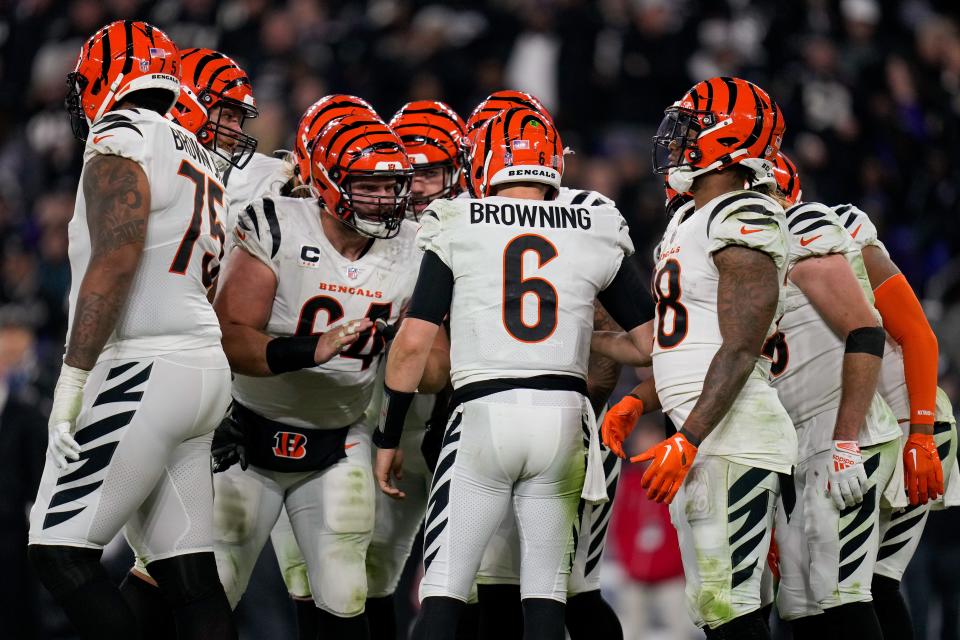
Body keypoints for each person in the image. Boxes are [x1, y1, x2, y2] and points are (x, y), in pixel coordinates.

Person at [373, 106, 654, 640]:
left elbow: (412, 344)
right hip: (565, 419)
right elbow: (646, 346)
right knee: (547, 597)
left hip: (484, 412)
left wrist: (390, 434)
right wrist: (582, 338)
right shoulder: (594, 219)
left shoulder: (458, 219)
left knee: (445, 591)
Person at [27, 20, 237, 640]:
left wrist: (73, 377)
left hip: (146, 364)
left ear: (105, 78)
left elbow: (117, 258)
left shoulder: (122, 134)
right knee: (189, 575)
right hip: (200, 367)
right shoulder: (203, 154)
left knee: (59, 550)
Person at [210, 110, 445, 640]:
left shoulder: (417, 243)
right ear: (326, 181)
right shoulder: (277, 222)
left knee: (346, 595)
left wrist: (398, 338)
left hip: (341, 437)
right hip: (249, 431)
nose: (385, 199)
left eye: (392, 185)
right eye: (368, 185)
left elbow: (436, 371)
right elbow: (231, 338)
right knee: (215, 588)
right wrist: (312, 348)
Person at [595, 76, 794, 639]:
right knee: (718, 606)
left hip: (734, 434)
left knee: (725, 604)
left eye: (692, 129)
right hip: (707, 431)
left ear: (726, 141)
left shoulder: (743, 214)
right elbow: (690, 344)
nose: (677, 141)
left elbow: (739, 346)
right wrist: (640, 396)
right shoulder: (689, 219)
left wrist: (689, 436)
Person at [459, 90, 628, 640]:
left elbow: (607, 339)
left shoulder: (574, 219)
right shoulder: (579, 219)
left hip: (558, 424)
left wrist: (565, 414)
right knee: (505, 584)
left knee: (572, 588)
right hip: (543, 421)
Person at [759, 151, 900, 638]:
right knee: (799, 607)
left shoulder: (802, 227)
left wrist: (844, 441)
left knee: (843, 595)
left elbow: (867, 330)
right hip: (791, 445)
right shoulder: (737, 255)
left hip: (837, 434)